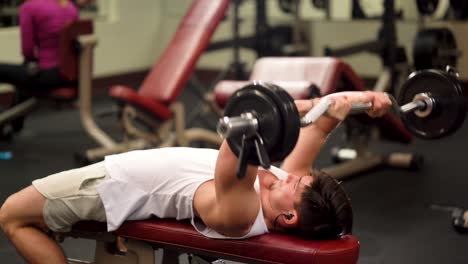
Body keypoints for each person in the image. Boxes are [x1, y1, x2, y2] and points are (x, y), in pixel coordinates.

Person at [0, 90, 392, 263]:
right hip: (124, 174)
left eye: (298, 185)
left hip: (110, 185)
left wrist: (295, 108)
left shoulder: (242, 210)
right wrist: (359, 99)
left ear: (289, 217)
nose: (291, 177)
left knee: (12, 215)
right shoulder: (281, 188)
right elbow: (318, 126)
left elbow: (238, 135)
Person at [0, 0, 79, 129]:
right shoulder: (70, 6)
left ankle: (12, 125)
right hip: (71, 76)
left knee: (26, 69)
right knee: (26, 72)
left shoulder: (30, 6)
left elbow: (28, 50)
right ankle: (14, 125)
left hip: (48, 76)